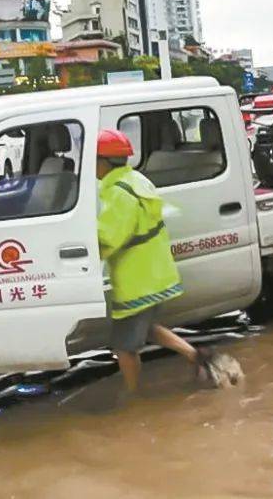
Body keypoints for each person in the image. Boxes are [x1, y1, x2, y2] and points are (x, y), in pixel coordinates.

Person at [96, 129, 217, 390]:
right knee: (147, 328)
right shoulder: (137, 180)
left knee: (124, 346)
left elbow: (109, 238)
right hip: (155, 273)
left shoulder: (117, 193)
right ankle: (196, 356)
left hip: (136, 279)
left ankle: (133, 397)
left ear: (104, 162)